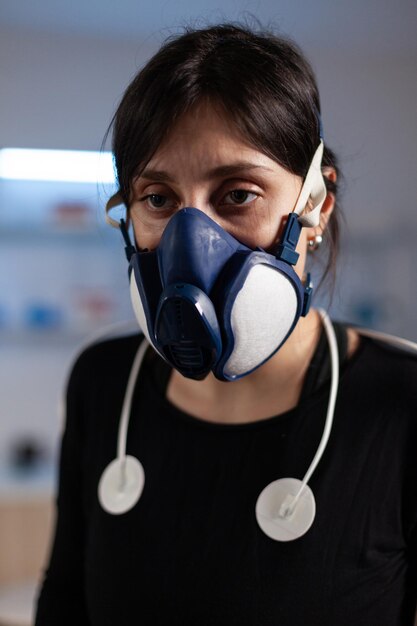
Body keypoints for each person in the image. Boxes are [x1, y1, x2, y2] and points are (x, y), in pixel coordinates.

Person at [35, 23, 417, 626]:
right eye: (158, 199)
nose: (195, 242)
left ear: (315, 205)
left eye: (238, 194)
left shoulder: (400, 405)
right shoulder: (104, 386)